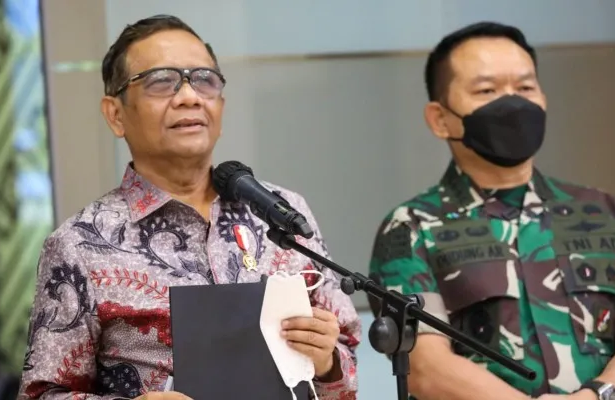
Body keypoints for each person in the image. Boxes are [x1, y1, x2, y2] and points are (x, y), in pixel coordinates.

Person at [18, 14, 360, 400]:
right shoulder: (80, 245)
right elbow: (43, 394)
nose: (189, 96)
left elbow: (345, 366)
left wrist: (327, 361)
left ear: (220, 104)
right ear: (116, 114)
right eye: (162, 81)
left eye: (204, 80)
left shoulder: (279, 212)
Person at [368, 21, 615, 400]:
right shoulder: (410, 228)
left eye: (525, 87)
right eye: (487, 90)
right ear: (440, 119)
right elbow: (425, 365)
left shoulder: (603, 212)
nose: (513, 102)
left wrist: (597, 396)